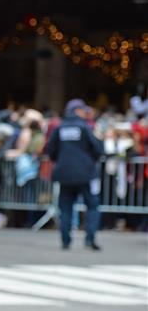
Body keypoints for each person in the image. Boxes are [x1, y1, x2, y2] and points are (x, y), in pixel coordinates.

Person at [44, 98, 104, 250]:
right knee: (92, 205)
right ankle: (89, 239)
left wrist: (62, 161)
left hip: (64, 173)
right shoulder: (85, 127)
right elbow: (98, 149)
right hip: (85, 173)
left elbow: (51, 150)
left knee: (65, 207)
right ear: (77, 111)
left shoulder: (60, 127)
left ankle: (65, 240)